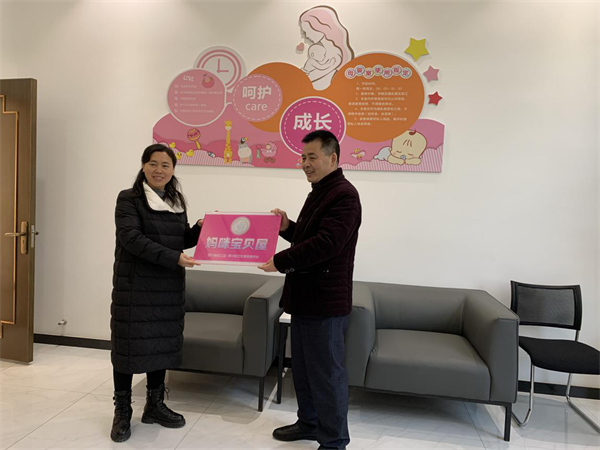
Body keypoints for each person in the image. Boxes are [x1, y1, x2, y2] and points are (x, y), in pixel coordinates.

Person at [259, 130, 362, 450]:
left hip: (325, 303)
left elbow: (327, 244)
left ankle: (334, 441)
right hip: (304, 299)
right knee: (303, 369)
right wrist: (288, 227)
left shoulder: (344, 195)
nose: (305, 163)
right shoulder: (319, 191)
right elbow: (309, 237)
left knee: (326, 374)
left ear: (333, 158)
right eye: (303, 157)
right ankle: (309, 422)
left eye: (312, 157)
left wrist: (280, 261)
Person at [110, 143, 202, 442]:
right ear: (143, 165)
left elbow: (180, 240)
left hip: (167, 286)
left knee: (161, 345)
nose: (159, 170)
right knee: (127, 349)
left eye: (165, 165)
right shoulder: (129, 198)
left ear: (173, 169)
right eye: (153, 163)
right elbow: (131, 238)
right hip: (135, 286)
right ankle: (122, 410)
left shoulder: (176, 201)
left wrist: (200, 229)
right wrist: (174, 257)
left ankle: (155, 405)